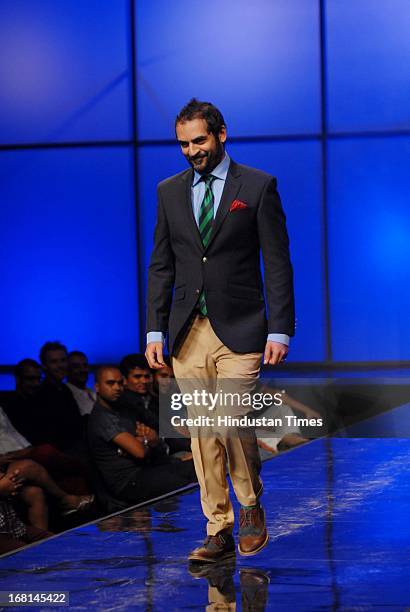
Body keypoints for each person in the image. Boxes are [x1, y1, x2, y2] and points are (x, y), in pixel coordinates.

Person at [146, 99, 295, 562]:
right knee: (202, 434)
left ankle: (249, 507)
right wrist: (154, 331)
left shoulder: (256, 186)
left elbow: (277, 262)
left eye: (200, 140)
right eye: (184, 144)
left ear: (221, 134)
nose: (192, 151)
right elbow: (161, 265)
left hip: (243, 327)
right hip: (188, 330)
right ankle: (218, 527)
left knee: (230, 422)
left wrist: (281, 329)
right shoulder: (169, 191)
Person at [87, 366, 195, 506]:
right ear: (97, 386)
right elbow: (140, 451)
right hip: (127, 482)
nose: (117, 387)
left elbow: (149, 435)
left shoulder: (123, 409)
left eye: (120, 383)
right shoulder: (102, 417)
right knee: (184, 482)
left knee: (194, 467)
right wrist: (145, 441)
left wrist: (143, 441)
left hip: (144, 470)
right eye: (110, 383)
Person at [67, 350, 96, 417]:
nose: (82, 370)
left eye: (85, 366)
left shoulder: (93, 393)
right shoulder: (65, 395)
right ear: (67, 369)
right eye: (76, 367)